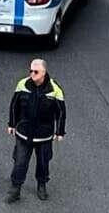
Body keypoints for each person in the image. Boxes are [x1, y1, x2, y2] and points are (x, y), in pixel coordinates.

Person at [6, 59, 66, 202]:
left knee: (43, 162)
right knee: (20, 161)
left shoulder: (54, 90)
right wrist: (12, 124)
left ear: (44, 73)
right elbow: (14, 105)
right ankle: (15, 188)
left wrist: (60, 132)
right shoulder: (23, 85)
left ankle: (42, 184)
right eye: (31, 71)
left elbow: (61, 112)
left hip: (44, 136)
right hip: (23, 132)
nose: (32, 74)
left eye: (36, 72)